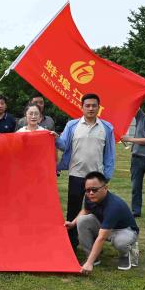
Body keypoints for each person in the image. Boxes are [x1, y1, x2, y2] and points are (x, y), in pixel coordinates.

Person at [56, 93, 115, 250]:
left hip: (96, 179)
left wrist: (107, 175)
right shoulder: (72, 125)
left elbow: (110, 154)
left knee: (96, 212)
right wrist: (54, 138)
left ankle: (94, 244)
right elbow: (63, 145)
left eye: (94, 106)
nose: (90, 108)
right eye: (87, 105)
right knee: (73, 211)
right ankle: (71, 244)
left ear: (98, 108)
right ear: (81, 107)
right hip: (76, 174)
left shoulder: (107, 128)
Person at [65, 171, 139, 273]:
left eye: (94, 190)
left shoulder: (114, 206)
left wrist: (89, 263)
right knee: (82, 220)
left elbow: (102, 237)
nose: (91, 193)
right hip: (105, 226)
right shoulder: (89, 196)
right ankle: (92, 257)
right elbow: (85, 210)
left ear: (105, 188)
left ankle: (126, 253)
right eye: (88, 190)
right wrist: (73, 223)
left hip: (124, 230)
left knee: (121, 242)